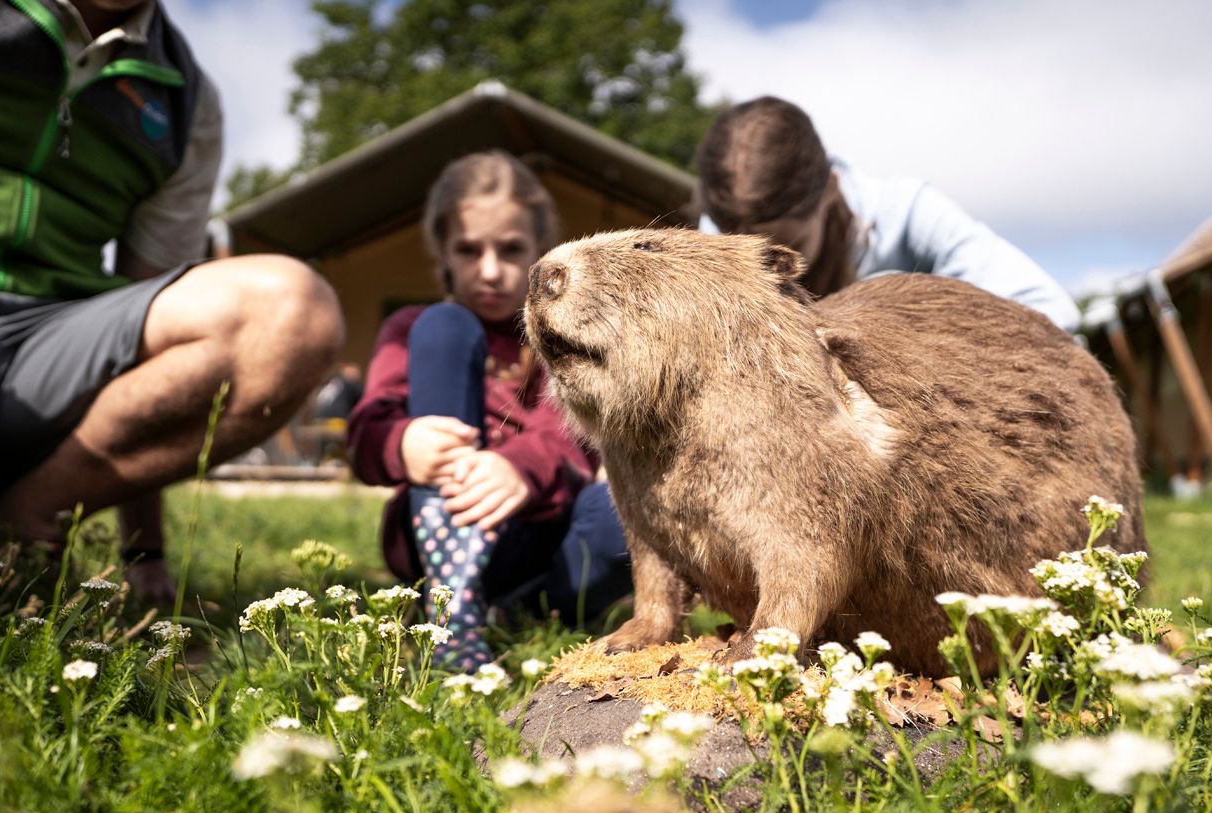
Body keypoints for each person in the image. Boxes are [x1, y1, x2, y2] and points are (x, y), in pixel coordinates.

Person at [0, 0, 344, 603]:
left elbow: (149, 295)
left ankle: (30, 519)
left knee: (294, 311)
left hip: (52, 356)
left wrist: (144, 549)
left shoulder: (188, 100)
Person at [346, 152, 631, 670]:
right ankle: (453, 601)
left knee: (624, 514)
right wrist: (401, 442)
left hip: (537, 536)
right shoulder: (411, 326)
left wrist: (518, 468)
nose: (491, 271)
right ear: (443, 252)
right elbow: (367, 428)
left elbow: (572, 442)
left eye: (511, 249)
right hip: (439, 524)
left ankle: (509, 610)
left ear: (541, 252)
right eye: (469, 250)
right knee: (444, 326)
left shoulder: (562, 337)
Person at [695, 96, 1081, 334]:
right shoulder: (715, 237)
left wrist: (908, 331)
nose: (767, 269)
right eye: (741, 246)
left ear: (830, 188)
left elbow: (1050, 314)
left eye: (787, 245)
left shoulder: (909, 213)